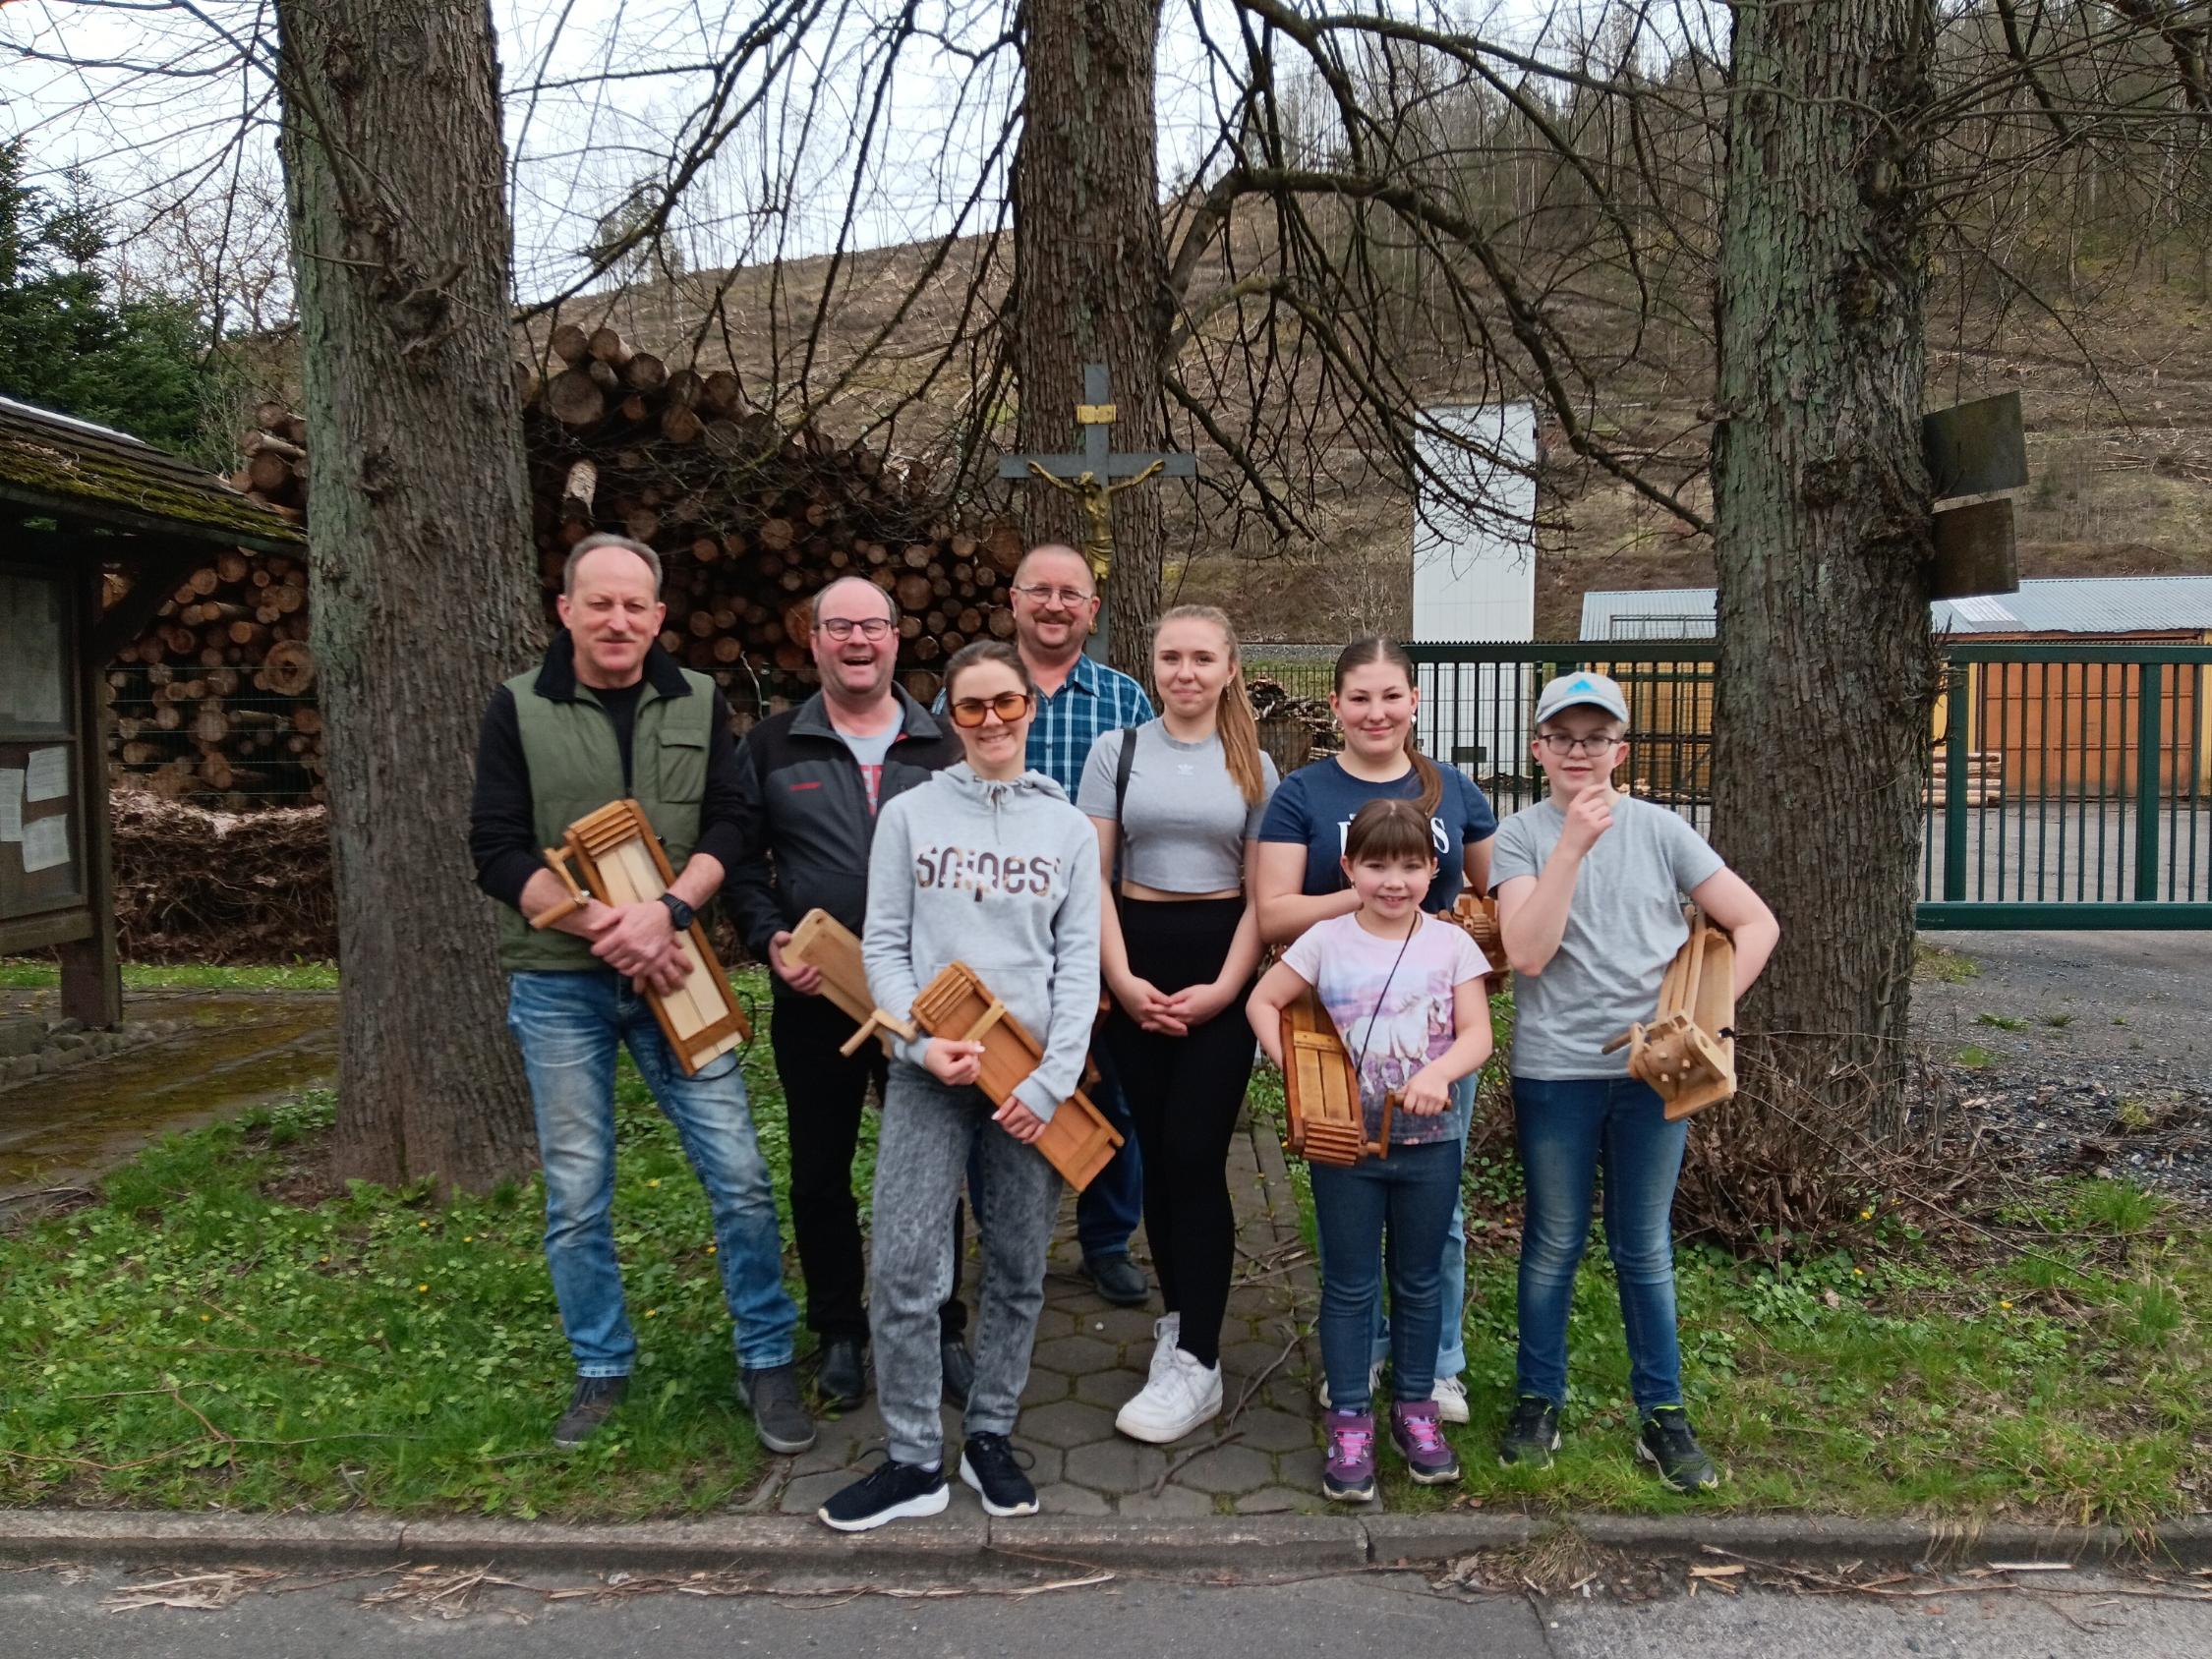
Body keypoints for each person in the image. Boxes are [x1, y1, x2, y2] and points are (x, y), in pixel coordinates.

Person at [467, 533, 813, 1457]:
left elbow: (732, 823)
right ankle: (601, 1366)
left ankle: (766, 1357)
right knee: (578, 1190)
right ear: (566, 610)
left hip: (679, 970)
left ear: (658, 617)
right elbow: (495, 849)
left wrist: (665, 915)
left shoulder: (697, 699)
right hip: (560, 985)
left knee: (739, 1176)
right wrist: (606, 928)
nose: (617, 621)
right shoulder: (518, 707)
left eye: (634, 606)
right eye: (600, 603)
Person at [818, 641, 1102, 1531]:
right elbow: (883, 945)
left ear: (1029, 708)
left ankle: (990, 1434)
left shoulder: (1067, 829)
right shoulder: (910, 815)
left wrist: (1052, 1083)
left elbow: (1079, 966)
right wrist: (913, 1044)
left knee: (1018, 1266)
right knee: (906, 1267)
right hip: (931, 1074)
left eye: (1006, 703)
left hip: (1029, 1080)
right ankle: (912, 1459)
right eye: (972, 706)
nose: (991, 721)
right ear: (951, 715)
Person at [1490, 671, 1778, 1493]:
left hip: (1655, 1075)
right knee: (1553, 1242)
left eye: (1597, 739)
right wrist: (1572, 847)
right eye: (1563, 737)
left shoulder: (1662, 831)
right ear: (1539, 749)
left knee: (1644, 1246)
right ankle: (1538, 1402)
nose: (1579, 752)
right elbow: (1528, 953)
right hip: (1557, 1071)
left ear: (1621, 751)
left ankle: (1663, 1414)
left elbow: (1755, 922)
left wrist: (1707, 1022)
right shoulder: (1520, 836)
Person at [728, 575, 973, 1414]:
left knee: (934, 1170)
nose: (858, 641)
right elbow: (740, 862)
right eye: (840, 627)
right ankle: (840, 1328)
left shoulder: (944, 744)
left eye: (873, 626)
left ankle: (940, 1323)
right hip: (816, 995)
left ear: (896, 639)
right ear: (815, 641)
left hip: (923, 1001)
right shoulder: (772, 746)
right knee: (819, 1169)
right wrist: (769, 938)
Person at [1253, 636, 1496, 1423]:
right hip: (1340, 1035)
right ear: (1336, 705)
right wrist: (1364, 902)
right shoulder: (1302, 792)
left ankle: (1438, 1366)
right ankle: (1357, 1361)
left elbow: (1494, 894)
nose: (1376, 712)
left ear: (1414, 701)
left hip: (1434, 1030)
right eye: (1359, 698)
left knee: (1439, 1214)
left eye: (1392, 696)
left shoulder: (1453, 790)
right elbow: (1274, 913)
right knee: (1349, 1210)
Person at [1079, 606, 1278, 1445]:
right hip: (1136, 957)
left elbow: (1264, 896)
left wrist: (1226, 989)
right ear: (1153, 666)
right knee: (1158, 1158)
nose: (1185, 672)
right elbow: (1093, 876)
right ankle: (1180, 1320)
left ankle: (1201, 1358)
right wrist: (1122, 981)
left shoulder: (1255, 764)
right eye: (1171, 657)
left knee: (1196, 1155)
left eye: (1202, 658)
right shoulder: (1115, 751)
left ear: (1230, 668)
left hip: (1219, 962)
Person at [940, 543, 1155, 1306]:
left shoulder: (1126, 701)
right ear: (1014, 601)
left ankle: (1106, 1240)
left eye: (1072, 594)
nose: (1055, 605)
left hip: (1097, 922)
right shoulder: (975, 691)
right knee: (995, 1085)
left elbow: (1143, 812)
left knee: (1109, 1091)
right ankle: (1006, 1242)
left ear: (1093, 609)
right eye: (1041, 591)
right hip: (993, 929)